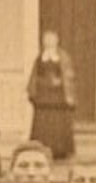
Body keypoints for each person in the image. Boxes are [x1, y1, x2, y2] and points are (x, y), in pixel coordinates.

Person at [24, 33, 75, 165]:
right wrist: (41, 84)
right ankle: (41, 148)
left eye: (52, 40)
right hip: (43, 96)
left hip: (58, 97)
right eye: (46, 40)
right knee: (43, 122)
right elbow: (35, 75)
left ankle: (60, 151)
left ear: (56, 42)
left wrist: (59, 82)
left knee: (58, 122)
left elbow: (68, 76)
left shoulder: (63, 57)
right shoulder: (40, 58)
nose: (49, 43)